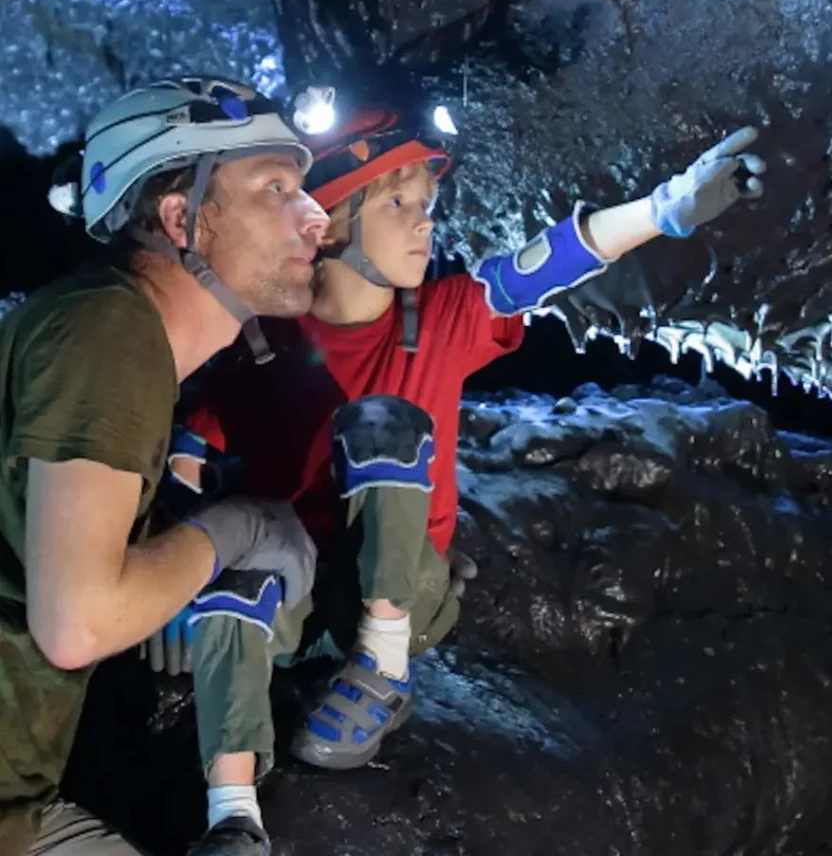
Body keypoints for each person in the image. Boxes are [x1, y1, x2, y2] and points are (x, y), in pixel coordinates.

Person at [166, 101, 766, 853]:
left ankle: (382, 668)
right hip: (299, 591)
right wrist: (171, 567)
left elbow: (541, 266)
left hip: (400, 590)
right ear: (334, 220)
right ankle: (233, 818)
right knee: (237, 571)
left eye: (428, 206)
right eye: (398, 203)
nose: (424, 223)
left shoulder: (440, 318)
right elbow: (193, 438)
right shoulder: (267, 342)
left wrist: (665, 208)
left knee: (381, 421)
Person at [0, 76, 330, 856]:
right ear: (182, 218)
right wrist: (245, 525)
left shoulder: (110, 333)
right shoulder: (108, 329)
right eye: (275, 189)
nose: (315, 217)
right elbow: (78, 622)